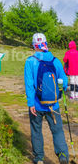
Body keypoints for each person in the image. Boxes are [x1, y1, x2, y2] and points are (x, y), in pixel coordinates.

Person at [24, 33, 69, 164]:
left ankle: (39, 158)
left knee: (36, 130)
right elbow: (64, 82)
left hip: (37, 105)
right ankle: (63, 155)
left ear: (34, 45)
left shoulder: (30, 61)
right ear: (46, 44)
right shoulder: (55, 61)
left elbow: (29, 84)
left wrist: (30, 103)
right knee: (57, 130)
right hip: (53, 105)